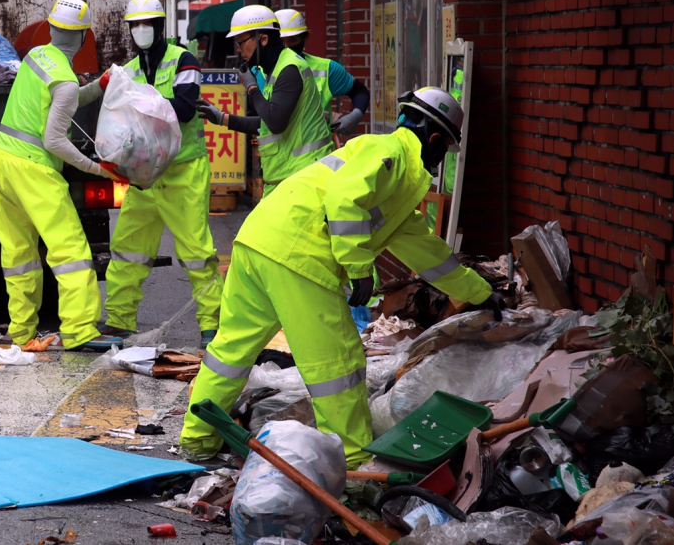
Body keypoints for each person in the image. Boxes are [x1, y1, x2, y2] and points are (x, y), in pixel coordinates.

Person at [180, 87, 503, 466]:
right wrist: (358, 268)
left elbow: (427, 252)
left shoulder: (395, 174)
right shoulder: (392, 154)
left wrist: (478, 292)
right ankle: (352, 464)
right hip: (299, 253)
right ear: (434, 140)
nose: (441, 159)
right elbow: (344, 201)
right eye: (444, 149)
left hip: (260, 240)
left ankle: (197, 438)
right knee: (338, 366)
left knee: (231, 351)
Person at [0, 0, 125, 352]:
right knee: (71, 250)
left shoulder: (36, 57)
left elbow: (64, 98)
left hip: (1, 160)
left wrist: (100, 86)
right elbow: (54, 139)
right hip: (33, 167)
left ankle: (21, 332)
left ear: (49, 29)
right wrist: (99, 170)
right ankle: (80, 330)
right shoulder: (63, 77)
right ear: (83, 38)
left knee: (19, 254)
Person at [99, 0, 221, 350]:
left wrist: (136, 104)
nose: (141, 30)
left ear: (160, 26)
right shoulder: (131, 71)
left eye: (147, 24)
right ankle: (119, 322)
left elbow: (184, 108)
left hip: (183, 170)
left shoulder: (183, 59)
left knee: (197, 252)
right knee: (127, 251)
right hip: (145, 176)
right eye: (135, 25)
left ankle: (212, 326)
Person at [196, 5, 333, 196]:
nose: (239, 49)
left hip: (304, 178)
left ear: (263, 39)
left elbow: (275, 122)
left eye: (241, 42)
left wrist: (252, 88)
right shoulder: (274, 70)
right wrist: (222, 118)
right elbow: (267, 124)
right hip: (286, 179)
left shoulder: (289, 68)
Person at [275, 9, 370, 136]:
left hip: (319, 154)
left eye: (293, 40)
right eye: (281, 42)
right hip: (277, 154)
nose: (286, 48)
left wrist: (355, 116)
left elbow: (358, 90)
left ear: (304, 38)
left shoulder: (326, 68)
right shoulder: (261, 72)